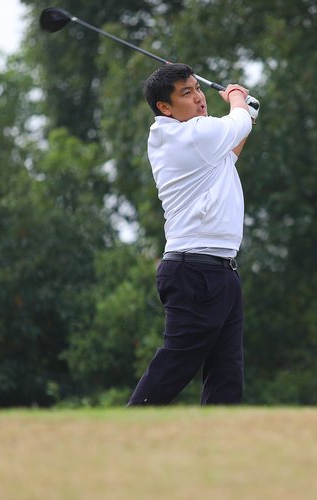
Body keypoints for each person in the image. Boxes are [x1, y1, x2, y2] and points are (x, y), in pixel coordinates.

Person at [127, 63, 254, 406]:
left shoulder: (192, 140)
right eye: (186, 92)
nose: (199, 97)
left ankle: (217, 439)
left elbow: (229, 152)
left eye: (198, 88)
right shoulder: (192, 134)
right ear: (164, 107)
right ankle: (126, 426)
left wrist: (247, 113)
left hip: (219, 269)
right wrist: (237, 97)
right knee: (176, 364)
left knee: (227, 373)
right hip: (196, 270)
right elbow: (237, 123)